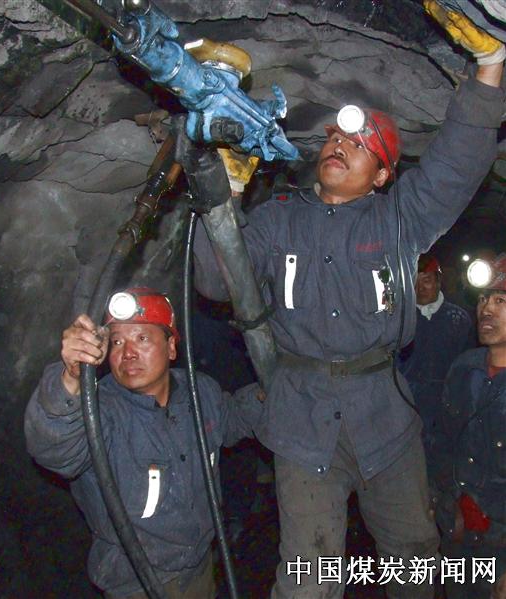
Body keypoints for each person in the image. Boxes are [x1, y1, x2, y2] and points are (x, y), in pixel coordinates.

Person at [177, 3, 506, 597]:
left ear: (381, 175)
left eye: (359, 143)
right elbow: (217, 284)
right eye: (333, 137)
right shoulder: (278, 220)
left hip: (385, 416)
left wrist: (489, 66)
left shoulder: (400, 218)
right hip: (301, 417)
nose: (338, 144)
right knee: (308, 577)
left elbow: (456, 163)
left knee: (416, 560)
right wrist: (223, 196)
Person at [24, 287, 262, 599]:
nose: (128, 353)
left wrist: (274, 388)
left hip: (200, 570)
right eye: (117, 342)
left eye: (142, 338)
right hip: (137, 584)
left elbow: (233, 417)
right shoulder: (97, 412)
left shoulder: (199, 392)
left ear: (172, 347)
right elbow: (54, 449)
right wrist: (69, 379)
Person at [432, 255, 506, 599]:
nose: (486, 309)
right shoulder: (464, 369)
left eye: (500, 301)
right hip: (460, 537)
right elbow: (443, 443)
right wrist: (444, 502)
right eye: (483, 299)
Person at [399, 253, 474, 457]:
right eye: (415, 281)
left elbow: (469, 368)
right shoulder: (400, 321)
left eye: (427, 280)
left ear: (439, 281)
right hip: (408, 410)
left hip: (447, 408)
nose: (420, 288)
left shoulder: (459, 319)